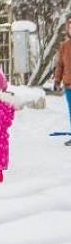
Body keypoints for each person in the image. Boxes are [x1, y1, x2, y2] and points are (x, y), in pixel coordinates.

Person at [53, 15, 71, 146]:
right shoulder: (64, 45)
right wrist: (57, 81)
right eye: (70, 28)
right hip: (68, 84)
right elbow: (60, 65)